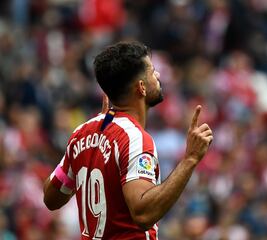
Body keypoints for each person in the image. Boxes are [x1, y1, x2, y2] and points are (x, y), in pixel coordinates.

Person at [43, 41, 213, 239]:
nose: (157, 76)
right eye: (152, 71)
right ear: (141, 87)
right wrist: (190, 159)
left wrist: (85, 153)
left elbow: (50, 198)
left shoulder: (82, 132)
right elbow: (143, 214)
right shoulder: (134, 138)